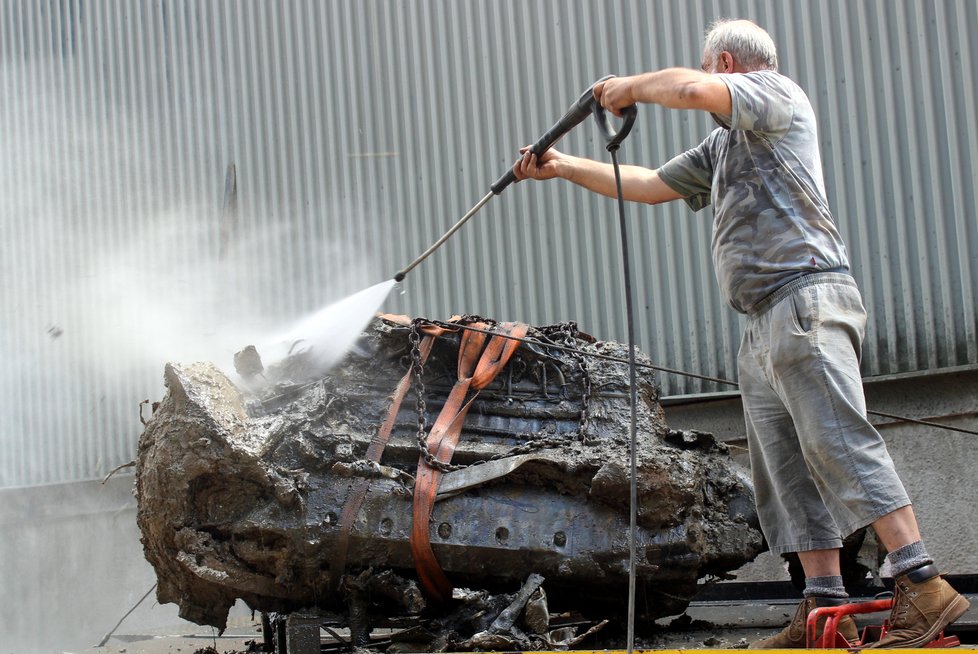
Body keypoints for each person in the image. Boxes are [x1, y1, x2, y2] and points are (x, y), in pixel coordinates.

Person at [512, 18, 969, 649]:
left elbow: (694, 92)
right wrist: (562, 166)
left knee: (839, 442)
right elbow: (647, 185)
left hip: (805, 298)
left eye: (707, 70)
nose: (701, 85)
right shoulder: (723, 148)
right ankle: (821, 609)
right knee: (783, 472)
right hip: (760, 322)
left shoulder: (775, 93)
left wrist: (626, 88)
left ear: (725, 63)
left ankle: (921, 583)